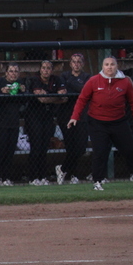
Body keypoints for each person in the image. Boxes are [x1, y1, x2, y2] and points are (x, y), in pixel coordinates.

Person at [68, 56, 133, 190]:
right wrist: (74, 117)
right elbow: (82, 99)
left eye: (112, 64)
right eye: (107, 64)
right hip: (97, 123)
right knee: (100, 152)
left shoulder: (125, 82)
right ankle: (97, 182)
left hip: (119, 122)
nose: (109, 67)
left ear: (116, 66)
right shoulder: (93, 81)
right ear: (102, 67)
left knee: (130, 150)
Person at [24, 61, 66, 185]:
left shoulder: (56, 79)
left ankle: (43, 177)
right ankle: (33, 178)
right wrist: (55, 97)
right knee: (36, 147)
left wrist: (49, 97)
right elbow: (41, 99)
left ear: (52, 70)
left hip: (48, 117)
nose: (46, 70)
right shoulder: (34, 79)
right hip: (33, 117)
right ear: (40, 69)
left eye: (48, 68)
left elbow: (64, 97)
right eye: (43, 68)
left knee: (44, 148)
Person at [0, 63, 27, 186]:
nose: (13, 73)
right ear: (6, 73)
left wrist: (23, 91)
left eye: (16, 71)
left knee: (10, 151)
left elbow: (24, 101)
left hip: (13, 123)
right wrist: (1, 92)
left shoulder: (19, 84)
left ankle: (6, 178)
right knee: (0, 150)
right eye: (11, 71)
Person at [55, 54, 91, 185]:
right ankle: (73, 175)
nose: (76, 64)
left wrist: (71, 86)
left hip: (82, 116)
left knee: (81, 148)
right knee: (70, 147)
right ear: (70, 64)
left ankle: (62, 168)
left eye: (79, 62)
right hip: (66, 115)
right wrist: (76, 89)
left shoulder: (87, 77)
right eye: (74, 62)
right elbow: (63, 91)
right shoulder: (63, 76)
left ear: (82, 64)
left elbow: (86, 91)